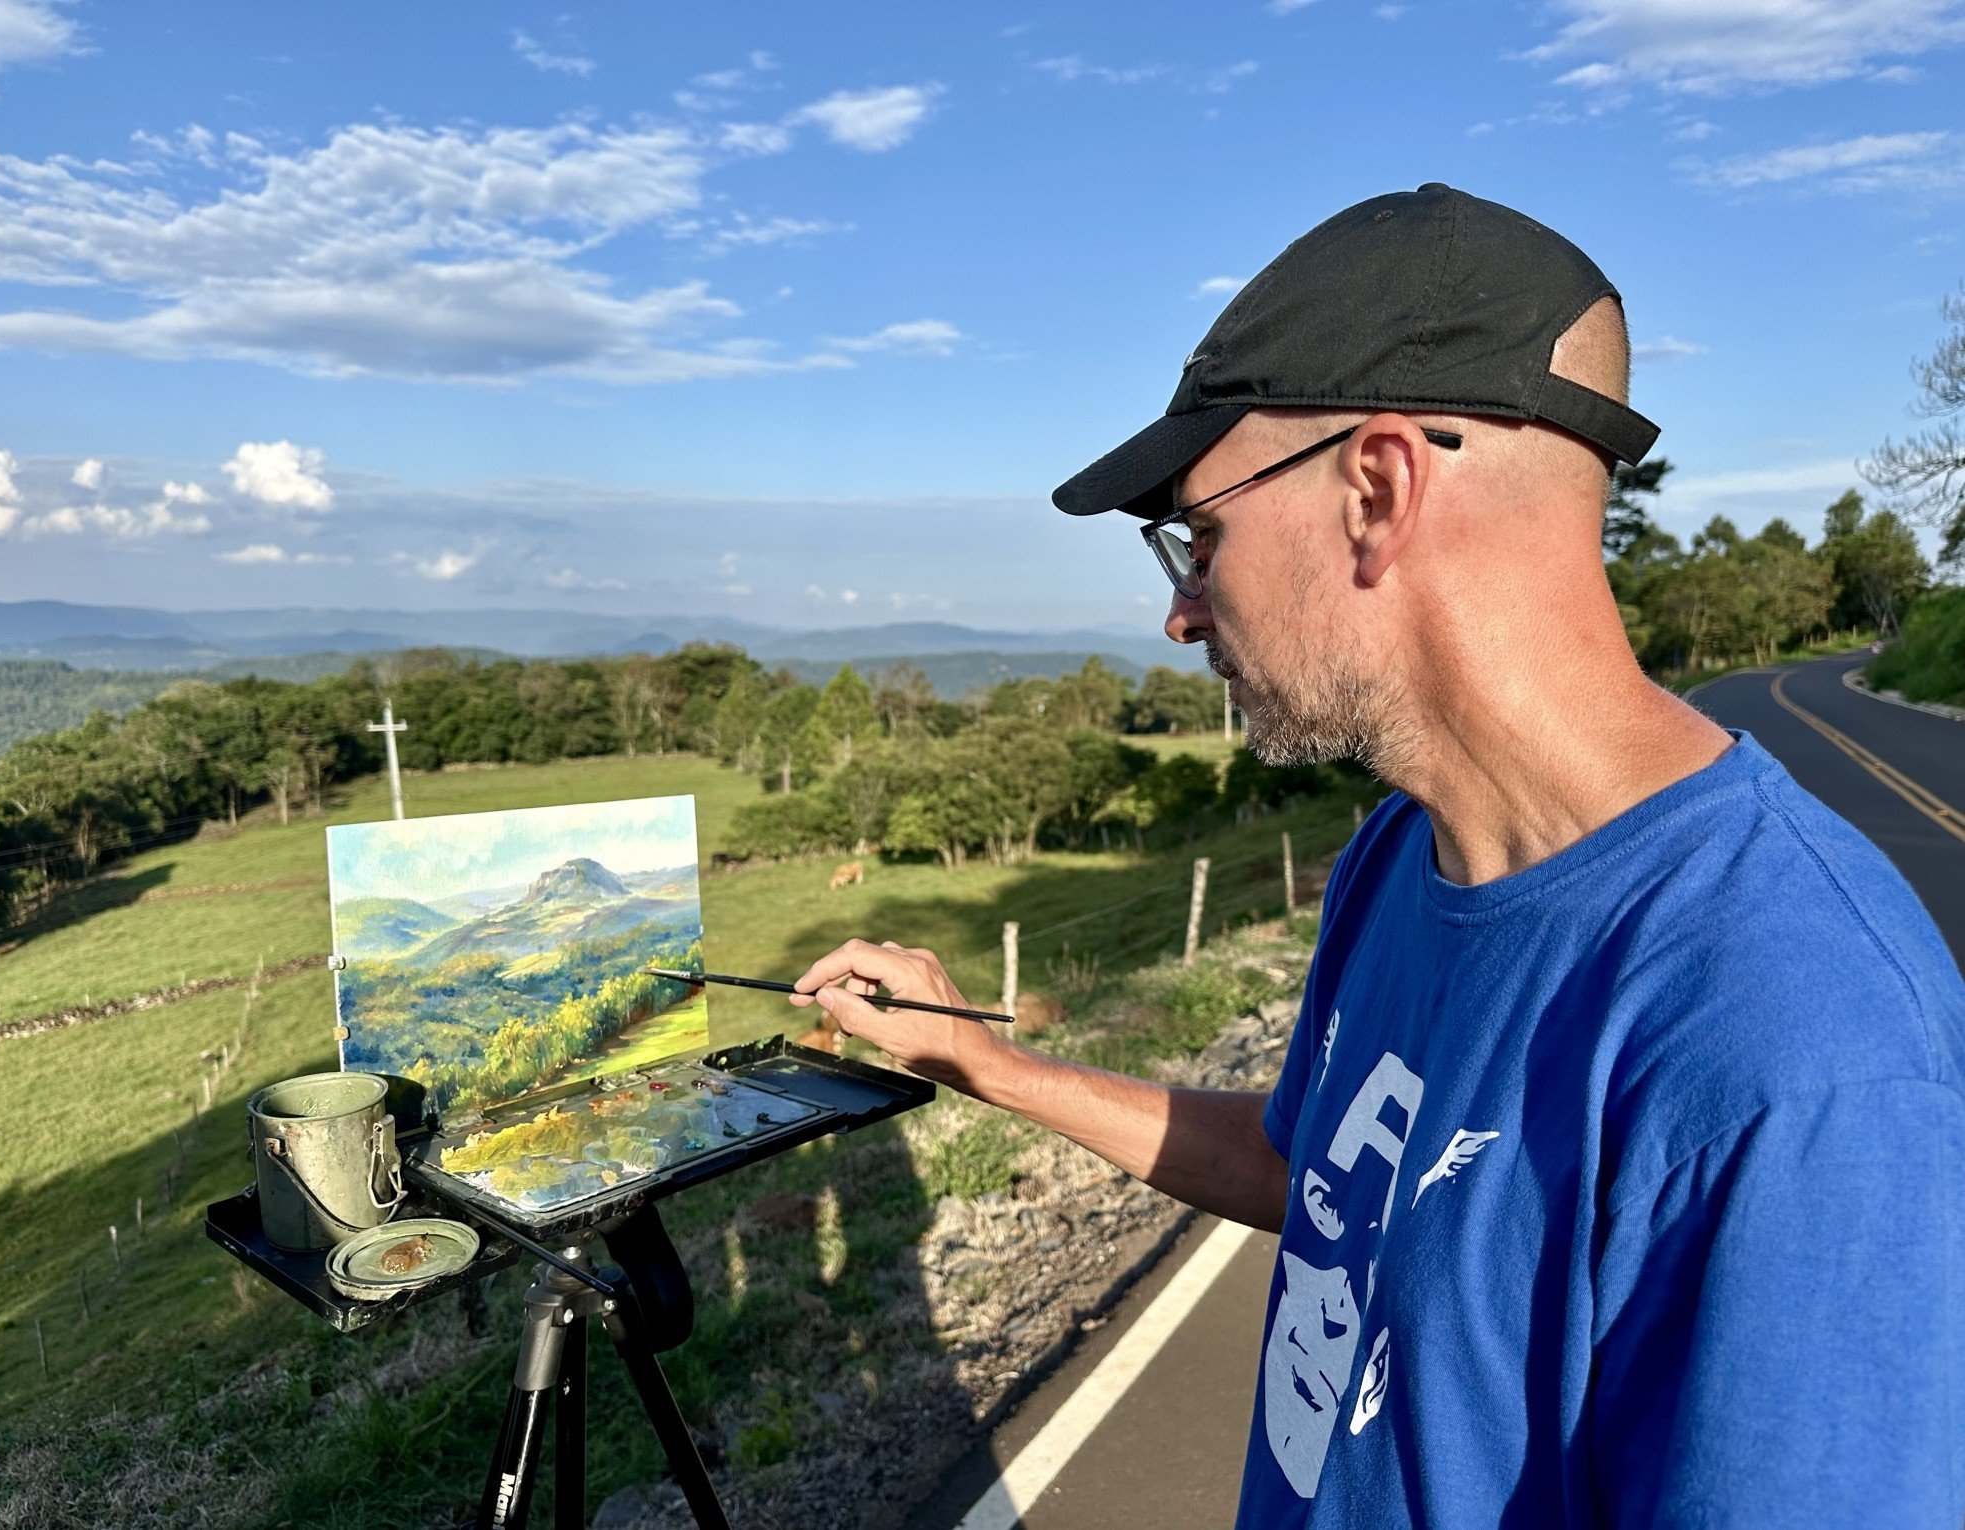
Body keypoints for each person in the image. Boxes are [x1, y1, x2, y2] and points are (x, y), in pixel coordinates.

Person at [791, 184, 1965, 1527]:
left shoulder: (1803, 1048)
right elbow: (1325, 1182)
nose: (1182, 612)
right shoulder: (1402, 858)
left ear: (1377, 486)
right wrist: (991, 1064)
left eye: (1199, 532)